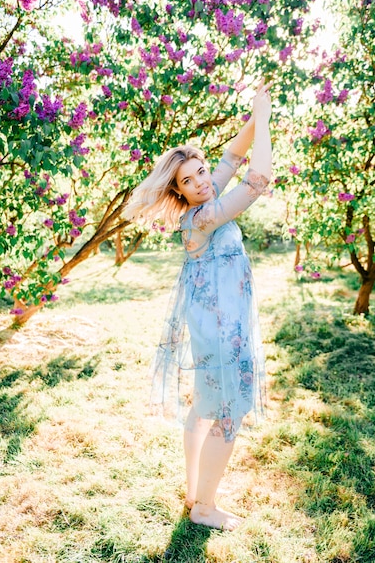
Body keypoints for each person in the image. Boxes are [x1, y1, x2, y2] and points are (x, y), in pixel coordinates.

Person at [123, 79, 272, 530]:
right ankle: (205, 508)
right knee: (228, 412)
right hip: (221, 325)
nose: (202, 181)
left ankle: (194, 494)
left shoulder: (202, 197)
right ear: (179, 192)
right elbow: (257, 179)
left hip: (215, 321)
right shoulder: (204, 216)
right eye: (188, 180)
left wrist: (253, 116)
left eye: (201, 172)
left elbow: (232, 157)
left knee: (206, 406)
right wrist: (264, 120)